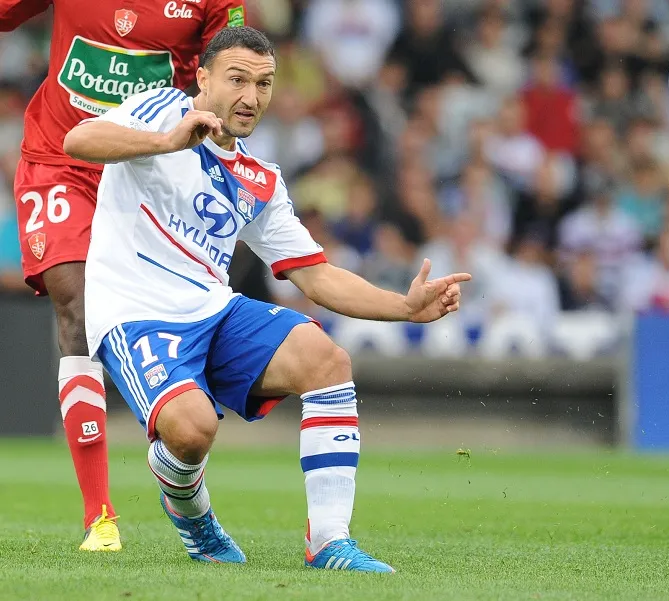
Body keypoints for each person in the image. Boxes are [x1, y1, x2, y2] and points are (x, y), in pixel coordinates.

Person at [63, 26, 471, 570]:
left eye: (263, 84)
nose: (250, 98)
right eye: (237, 80)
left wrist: (403, 306)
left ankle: (329, 541)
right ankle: (194, 519)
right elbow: (79, 142)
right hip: (135, 315)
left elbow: (316, 275)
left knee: (327, 360)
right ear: (202, 78)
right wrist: (166, 142)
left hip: (213, 309)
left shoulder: (259, 179)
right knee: (192, 430)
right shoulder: (159, 109)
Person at [1, 0, 248, 552]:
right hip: (59, 158)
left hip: (150, 165)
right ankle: (100, 516)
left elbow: (237, 63)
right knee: (77, 309)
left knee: (162, 309)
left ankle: (175, 448)